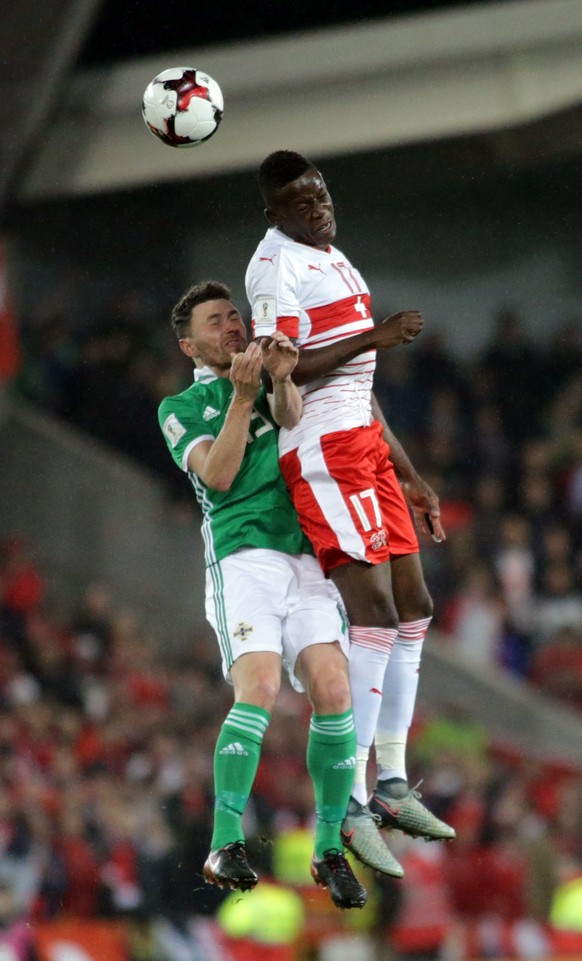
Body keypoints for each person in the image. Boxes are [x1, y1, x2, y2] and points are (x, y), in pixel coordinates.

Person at [245, 150, 456, 878]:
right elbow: (284, 369)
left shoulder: (333, 257)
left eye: (322, 194)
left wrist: (412, 473)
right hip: (323, 450)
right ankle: (354, 799)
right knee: (372, 613)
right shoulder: (275, 268)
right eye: (302, 203)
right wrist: (377, 334)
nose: (319, 208)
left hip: (364, 442)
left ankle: (392, 781)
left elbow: (359, 384)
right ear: (276, 213)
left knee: (416, 605)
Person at [158, 279, 367, 910]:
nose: (231, 327)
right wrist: (245, 396)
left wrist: (277, 382)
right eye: (215, 322)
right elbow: (219, 477)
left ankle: (328, 848)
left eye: (234, 317)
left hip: (304, 552)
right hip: (243, 555)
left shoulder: (274, 375)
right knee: (261, 687)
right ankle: (225, 840)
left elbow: (297, 423)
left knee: (334, 687)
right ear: (188, 343)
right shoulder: (180, 407)